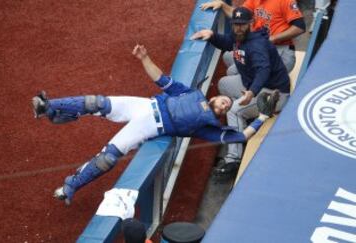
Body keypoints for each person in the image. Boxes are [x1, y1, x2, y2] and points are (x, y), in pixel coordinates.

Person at [32, 44, 279, 205]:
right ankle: (48, 107)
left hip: (150, 127)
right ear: (215, 96)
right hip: (143, 106)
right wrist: (145, 57)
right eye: (225, 100)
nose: (225, 104)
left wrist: (261, 118)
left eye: (227, 107)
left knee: (108, 157)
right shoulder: (191, 93)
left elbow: (240, 137)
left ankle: (71, 186)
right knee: (95, 102)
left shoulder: (207, 127)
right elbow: (162, 80)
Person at [191, 7, 289, 180]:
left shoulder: (256, 45)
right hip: (251, 83)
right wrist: (212, 35)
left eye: (242, 25)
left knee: (233, 110)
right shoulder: (239, 37)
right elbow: (228, 42)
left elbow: (263, 70)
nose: (238, 28)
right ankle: (247, 116)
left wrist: (251, 93)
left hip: (273, 93)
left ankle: (233, 158)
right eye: (236, 24)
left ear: (250, 24)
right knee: (224, 84)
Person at [200, 0, 306, 73]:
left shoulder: (285, 1)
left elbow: (300, 27)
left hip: (281, 52)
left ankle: (268, 92)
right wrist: (223, 5)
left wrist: (273, 39)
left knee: (231, 75)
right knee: (229, 56)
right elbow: (239, 15)